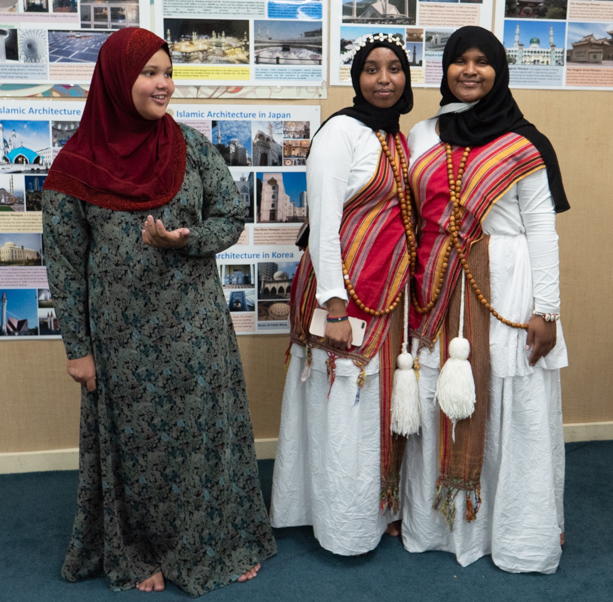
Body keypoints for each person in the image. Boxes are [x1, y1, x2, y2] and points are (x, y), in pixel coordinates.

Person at [42, 28, 276, 595]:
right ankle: (139, 551)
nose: (163, 84)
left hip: (194, 327)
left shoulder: (190, 147)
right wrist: (79, 349)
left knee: (202, 440)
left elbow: (231, 215)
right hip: (121, 337)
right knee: (137, 448)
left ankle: (214, 545)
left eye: (168, 72)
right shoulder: (76, 164)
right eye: (149, 73)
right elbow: (65, 265)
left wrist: (187, 240)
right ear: (118, 81)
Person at [402, 26, 570, 573]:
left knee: (509, 402)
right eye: (459, 61)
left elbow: (543, 231)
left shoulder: (526, 143)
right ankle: (439, 528)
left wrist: (546, 311)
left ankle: (515, 534)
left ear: (500, 70)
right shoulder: (422, 134)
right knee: (438, 397)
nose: (470, 71)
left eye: (482, 62)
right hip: (438, 284)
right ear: (445, 68)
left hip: (508, 290)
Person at [270, 33, 414, 555]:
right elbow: (325, 223)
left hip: (386, 291)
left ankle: (378, 511)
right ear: (356, 78)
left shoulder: (396, 136)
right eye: (371, 69)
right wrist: (335, 305)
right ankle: (340, 526)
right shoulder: (341, 133)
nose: (383, 79)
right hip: (344, 293)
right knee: (343, 404)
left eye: (394, 68)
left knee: (374, 406)